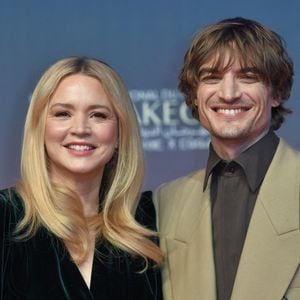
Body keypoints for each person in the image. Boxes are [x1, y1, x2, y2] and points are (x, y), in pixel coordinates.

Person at [154, 17, 300, 300]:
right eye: (212, 77)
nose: (229, 93)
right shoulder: (165, 202)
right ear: (195, 95)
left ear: (277, 92)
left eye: (248, 76)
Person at [0, 56, 163, 299]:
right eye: (63, 113)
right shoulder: (7, 217)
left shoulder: (148, 224)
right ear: (39, 129)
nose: (80, 128)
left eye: (98, 115)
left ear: (120, 133)